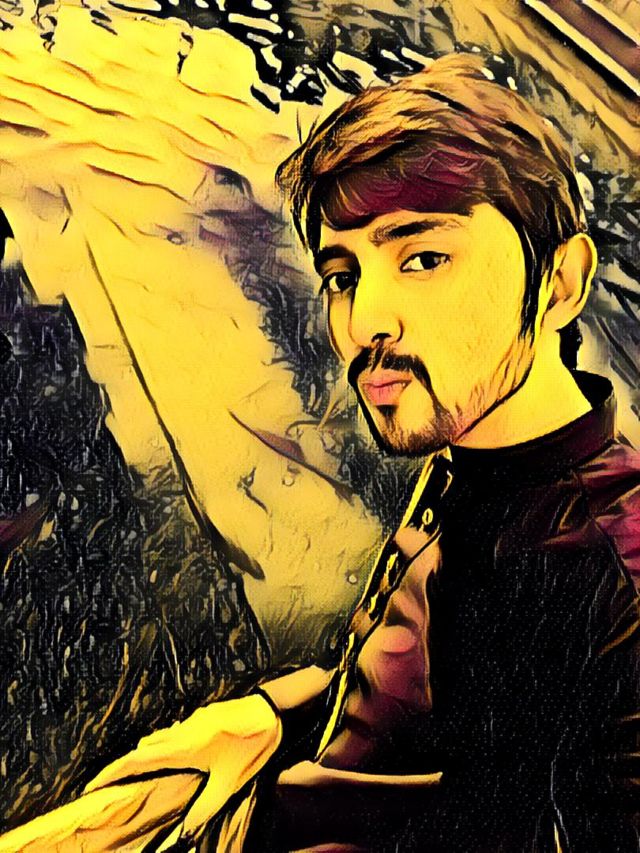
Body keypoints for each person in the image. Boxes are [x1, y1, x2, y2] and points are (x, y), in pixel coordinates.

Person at [4, 51, 640, 852]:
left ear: (560, 283)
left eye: (424, 258)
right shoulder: (477, 444)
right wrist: (271, 715)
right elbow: (408, 683)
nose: (365, 320)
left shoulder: (614, 582)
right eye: (342, 274)